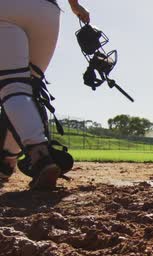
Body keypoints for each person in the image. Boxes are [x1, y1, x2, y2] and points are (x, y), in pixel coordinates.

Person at [0, 0, 90, 190]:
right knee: (29, 89)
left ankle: (40, 156)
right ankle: (6, 161)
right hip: (46, 12)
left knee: (13, 87)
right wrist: (75, 5)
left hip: (6, 8)